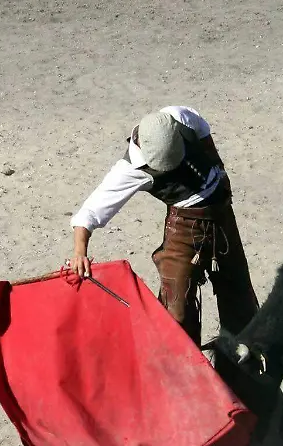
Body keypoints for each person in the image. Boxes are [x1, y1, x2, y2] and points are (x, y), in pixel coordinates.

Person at [66, 106, 260, 346]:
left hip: (223, 216)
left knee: (240, 297)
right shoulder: (130, 170)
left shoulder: (179, 116)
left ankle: (240, 365)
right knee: (176, 311)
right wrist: (79, 253)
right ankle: (184, 366)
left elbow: (202, 130)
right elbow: (89, 213)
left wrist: (217, 169)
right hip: (185, 230)